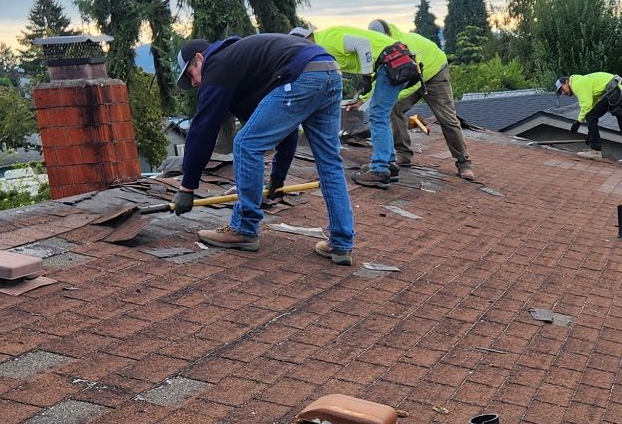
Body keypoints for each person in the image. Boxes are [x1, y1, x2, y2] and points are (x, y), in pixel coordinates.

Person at [172, 32, 354, 261]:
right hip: (329, 70)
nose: (195, 83)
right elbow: (285, 129)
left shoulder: (217, 65)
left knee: (245, 144)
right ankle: (341, 242)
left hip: (302, 74)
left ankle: (244, 229)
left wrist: (187, 187)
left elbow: (203, 129)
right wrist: (277, 179)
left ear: (199, 58)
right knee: (329, 161)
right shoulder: (243, 65)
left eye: (191, 74)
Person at [366, 19, 476, 182]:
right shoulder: (382, 47)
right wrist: (364, 98)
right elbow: (381, 80)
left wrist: (395, 96)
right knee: (392, 107)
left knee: (447, 118)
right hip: (411, 75)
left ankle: (464, 163)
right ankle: (403, 153)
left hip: (434, 73)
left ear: (387, 34)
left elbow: (414, 80)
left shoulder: (405, 46)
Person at [306, 21, 403, 187]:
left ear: (307, 38)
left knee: (377, 115)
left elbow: (362, 44)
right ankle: (389, 163)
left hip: (392, 61)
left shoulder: (328, 37)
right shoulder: (324, 48)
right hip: (396, 60)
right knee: (381, 114)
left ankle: (380, 169)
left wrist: (366, 76)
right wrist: (361, 87)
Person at [557, 70, 622, 164]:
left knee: (590, 116)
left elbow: (586, 107)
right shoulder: (583, 80)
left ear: (567, 82)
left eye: (562, 89)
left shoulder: (576, 84)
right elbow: (593, 103)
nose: (563, 93)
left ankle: (595, 150)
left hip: (615, 91)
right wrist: (591, 133)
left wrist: (577, 123)